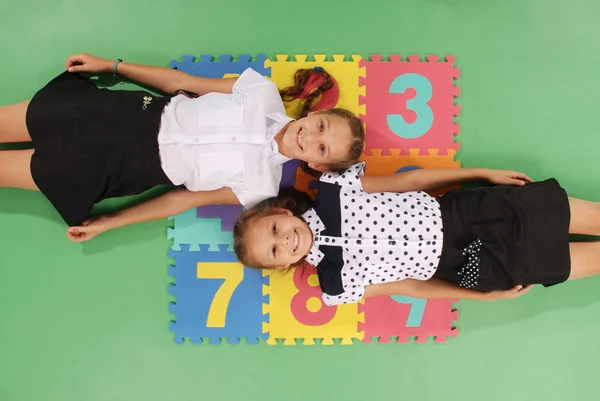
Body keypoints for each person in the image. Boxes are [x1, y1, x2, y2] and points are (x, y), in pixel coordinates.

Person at [0, 53, 365, 242]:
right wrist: (112, 65)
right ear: (320, 112)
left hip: (126, 168)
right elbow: (181, 81)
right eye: (321, 126)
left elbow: (183, 200)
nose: (309, 138)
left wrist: (111, 222)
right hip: (117, 114)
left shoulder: (261, 188)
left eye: (321, 149)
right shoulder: (261, 92)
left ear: (318, 167)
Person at [232, 162, 600, 305]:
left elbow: (410, 181)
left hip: (470, 212)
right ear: (281, 264)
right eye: (276, 251)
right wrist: (483, 298)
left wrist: (482, 174)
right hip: (474, 265)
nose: (286, 240)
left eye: (275, 230)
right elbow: (410, 286)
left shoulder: (333, 189)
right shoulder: (335, 285)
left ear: (280, 211)